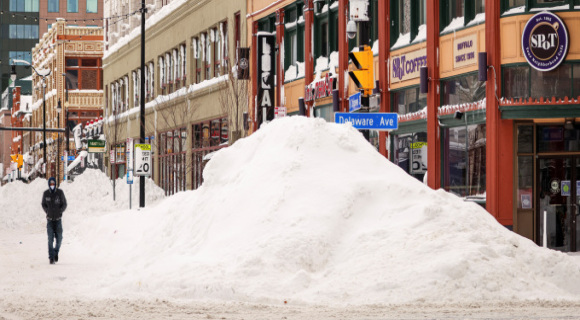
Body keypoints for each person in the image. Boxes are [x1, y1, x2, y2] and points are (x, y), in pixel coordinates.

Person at [41, 177, 67, 264]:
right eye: (51, 184)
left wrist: (60, 211)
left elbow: (64, 204)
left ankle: (56, 252)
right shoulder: (46, 194)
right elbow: (43, 204)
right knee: (50, 239)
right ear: (49, 184)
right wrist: (47, 211)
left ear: (55, 184)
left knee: (59, 239)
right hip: (50, 221)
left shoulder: (60, 193)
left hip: (58, 220)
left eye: (53, 184)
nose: (52, 185)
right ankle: (51, 257)